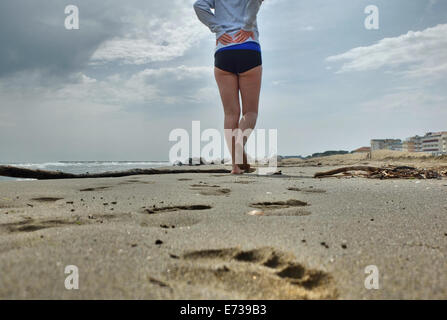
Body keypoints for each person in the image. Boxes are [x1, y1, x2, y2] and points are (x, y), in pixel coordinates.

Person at [193, 0, 264, 174]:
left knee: (230, 113)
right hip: (248, 46)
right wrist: (247, 25)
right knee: (250, 112)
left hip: (224, 51)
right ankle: (239, 144)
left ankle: (236, 166)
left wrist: (218, 28)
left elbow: (198, 5)